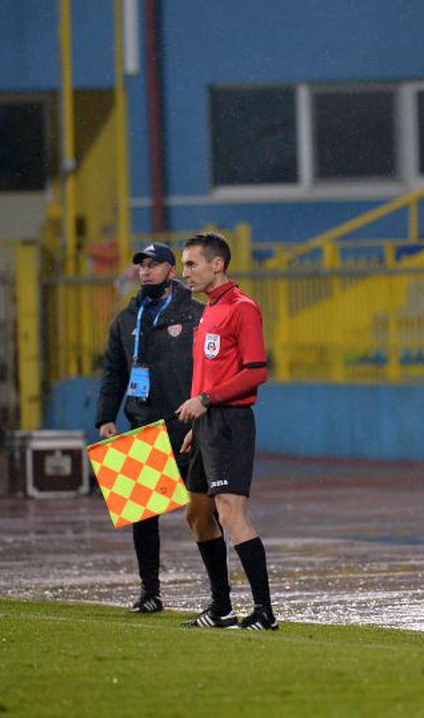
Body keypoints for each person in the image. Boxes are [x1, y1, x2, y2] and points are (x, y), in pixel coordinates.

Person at [173, 232, 276, 631]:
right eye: (184, 265)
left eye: (192, 264)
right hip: (208, 424)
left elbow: (256, 372)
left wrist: (207, 401)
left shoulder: (242, 308)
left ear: (218, 264)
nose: (186, 273)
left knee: (231, 514)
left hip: (230, 421)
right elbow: (209, 371)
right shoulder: (208, 311)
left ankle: (265, 613)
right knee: (198, 515)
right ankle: (221, 609)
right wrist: (198, 425)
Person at [95, 242, 203, 613]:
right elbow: (114, 372)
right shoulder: (127, 320)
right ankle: (150, 592)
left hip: (187, 424)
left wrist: (207, 408)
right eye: (141, 265)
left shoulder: (195, 314)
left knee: (208, 512)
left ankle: (220, 594)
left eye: (154, 265)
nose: (145, 271)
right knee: (142, 516)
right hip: (142, 422)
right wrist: (106, 416)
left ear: (171, 270)